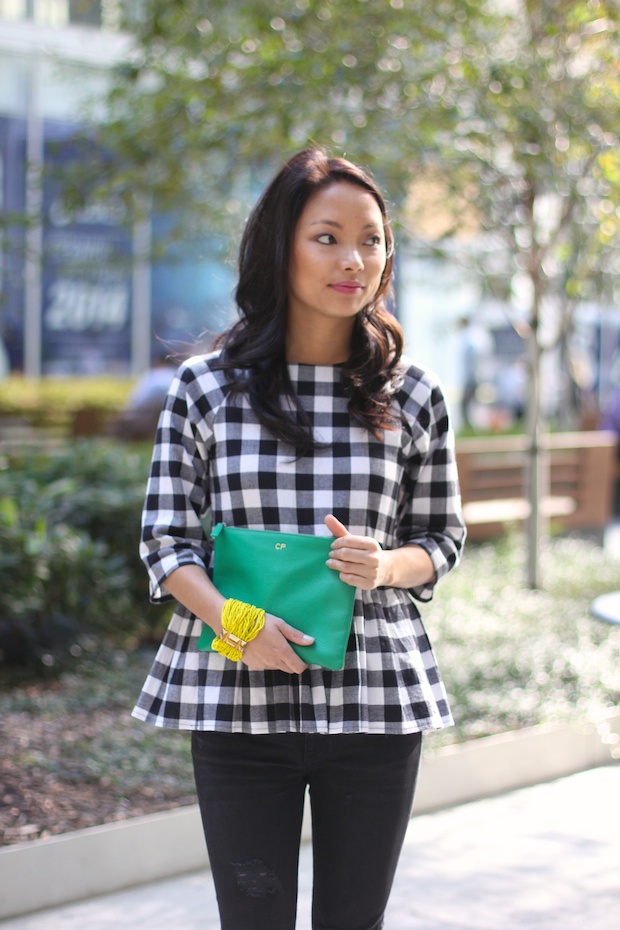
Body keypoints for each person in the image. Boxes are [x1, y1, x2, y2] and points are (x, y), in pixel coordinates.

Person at [134, 148, 466, 930]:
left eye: (372, 240)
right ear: (278, 244)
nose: (354, 259)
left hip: (376, 705)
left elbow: (441, 538)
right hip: (238, 707)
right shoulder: (205, 387)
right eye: (327, 237)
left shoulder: (413, 393)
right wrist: (240, 625)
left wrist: (386, 564)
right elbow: (165, 543)